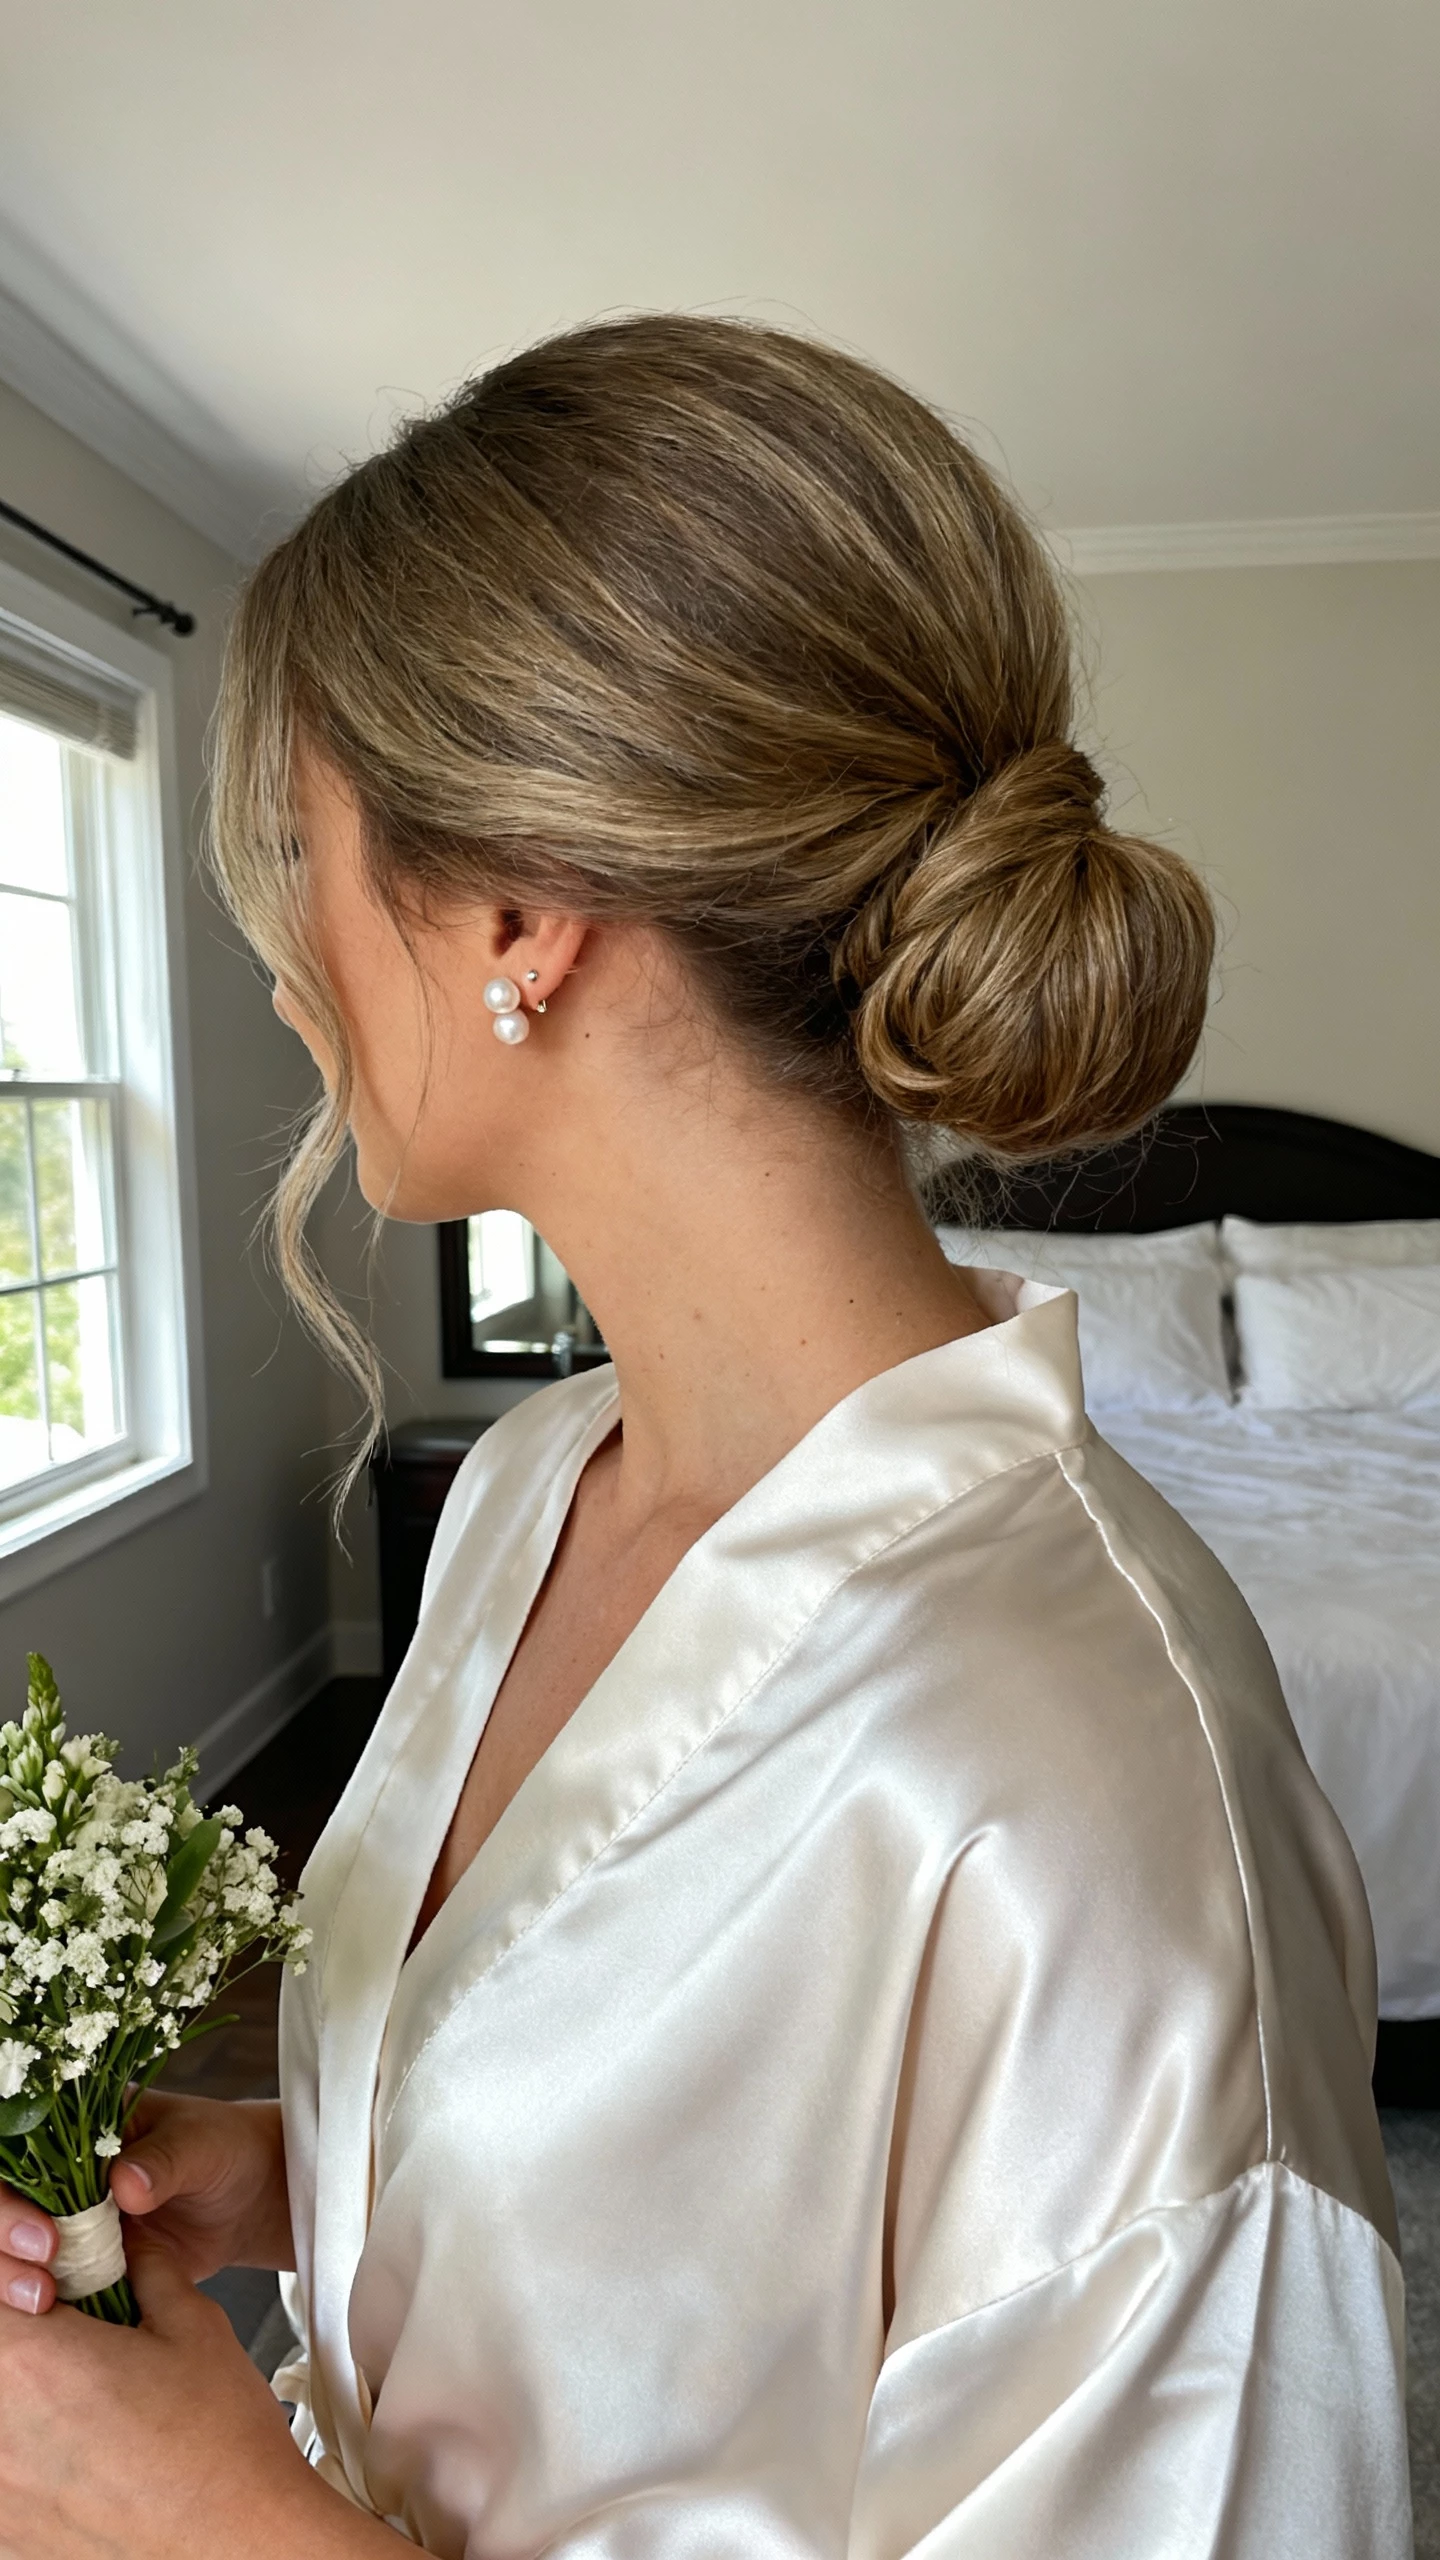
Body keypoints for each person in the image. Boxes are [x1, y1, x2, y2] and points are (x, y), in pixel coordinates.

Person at [0, 316, 1409, 2558]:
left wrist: (211, 2528)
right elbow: (662, 2202)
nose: (276, 957)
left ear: (519, 916)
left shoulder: (1099, 1809)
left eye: (305, 842)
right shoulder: (529, 1492)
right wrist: (298, 2169)